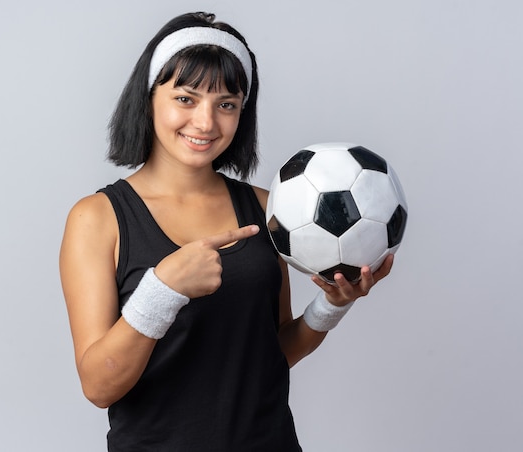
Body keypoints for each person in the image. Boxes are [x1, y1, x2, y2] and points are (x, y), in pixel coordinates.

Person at [59, 11, 393, 451]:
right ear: (149, 97)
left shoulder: (266, 206)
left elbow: (274, 354)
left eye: (226, 104)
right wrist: (163, 288)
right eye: (185, 98)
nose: (205, 122)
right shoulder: (97, 219)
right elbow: (99, 386)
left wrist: (330, 306)